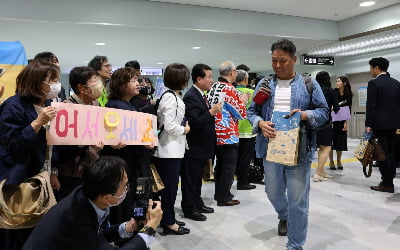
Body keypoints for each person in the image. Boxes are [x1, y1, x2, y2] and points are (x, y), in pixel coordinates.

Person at [247, 39, 328, 250]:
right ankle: (284, 215)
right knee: (272, 192)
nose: (278, 66)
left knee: (298, 201)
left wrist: (304, 114)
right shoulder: (264, 84)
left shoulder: (309, 83)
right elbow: (251, 111)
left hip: (299, 152)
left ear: (294, 60)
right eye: (274, 61)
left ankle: (295, 245)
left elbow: (323, 112)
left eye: (283, 61)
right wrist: (260, 123)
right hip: (269, 148)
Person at [23, 156, 163, 250]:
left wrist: (127, 227)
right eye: (124, 186)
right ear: (106, 197)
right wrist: (149, 228)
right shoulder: (75, 219)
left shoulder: (86, 193)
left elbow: (96, 236)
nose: (128, 189)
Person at [0, 60, 60, 250]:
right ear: (36, 82)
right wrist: (37, 123)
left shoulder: (50, 104)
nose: (56, 85)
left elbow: (53, 142)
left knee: (40, 232)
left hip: (44, 178)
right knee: (18, 231)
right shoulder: (13, 105)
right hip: (19, 180)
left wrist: (54, 171)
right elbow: (14, 145)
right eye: (52, 80)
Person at [102, 67, 153, 229]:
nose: (138, 84)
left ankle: (130, 230)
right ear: (122, 85)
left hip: (131, 164)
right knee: (128, 201)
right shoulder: (118, 107)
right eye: (134, 81)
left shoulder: (124, 104)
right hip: (127, 165)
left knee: (132, 200)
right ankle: (127, 233)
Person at [52, 66, 104, 200]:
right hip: (71, 173)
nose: (99, 84)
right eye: (95, 81)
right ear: (82, 88)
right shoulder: (65, 109)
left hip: (92, 169)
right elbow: (60, 146)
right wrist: (85, 144)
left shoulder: (96, 104)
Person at [181, 63, 222, 221]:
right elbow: (194, 122)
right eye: (209, 77)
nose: (212, 80)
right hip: (194, 146)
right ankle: (189, 208)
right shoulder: (191, 96)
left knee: (197, 178)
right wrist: (211, 112)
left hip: (202, 147)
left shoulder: (200, 94)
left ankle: (197, 202)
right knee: (191, 179)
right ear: (199, 79)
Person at [153, 63, 191, 235]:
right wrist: (184, 130)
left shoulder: (171, 96)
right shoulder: (170, 97)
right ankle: (168, 222)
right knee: (169, 189)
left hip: (171, 149)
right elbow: (169, 126)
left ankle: (168, 217)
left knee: (170, 188)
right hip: (168, 150)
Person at [206, 61, 247, 206]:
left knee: (220, 166)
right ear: (232, 72)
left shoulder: (213, 87)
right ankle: (224, 197)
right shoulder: (230, 89)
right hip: (228, 134)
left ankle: (220, 194)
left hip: (214, 132)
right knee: (228, 167)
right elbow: (241, 114)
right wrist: (242, 101)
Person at [366, 57, 400, 193]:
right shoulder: (396, 83)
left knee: (382, 154)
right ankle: (388, 180)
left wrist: (368, 124)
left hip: (379, 125)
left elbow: (371, 106)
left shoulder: (374, 84)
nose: (370, 71)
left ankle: (387, 183)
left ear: (376, 68)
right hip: (393, 124)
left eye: (371, 68)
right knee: (390, 152)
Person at [313, 71, 339, 182]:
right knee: (327, 147)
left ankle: (322, 171)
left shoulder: (313, 91)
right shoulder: (331, 92)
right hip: (326, 123)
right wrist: (332, 108)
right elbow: (337, 108)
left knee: (321, 148)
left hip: (314, 123)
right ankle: (318, 173)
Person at [235, 69, 257, 190]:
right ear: (245, 79)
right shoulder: (251, 92)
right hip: (247, 131)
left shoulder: (231, 91)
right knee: (245, 158)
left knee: (235, 158)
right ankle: (243, 181)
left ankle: (234, 178)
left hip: (233, 130)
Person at [328, 76, 353, 170]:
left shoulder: (348, 94)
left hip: (341, 121)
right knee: (330, 143)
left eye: (338, 81)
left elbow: (348, 109)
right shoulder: (333, 92)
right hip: (331, 120)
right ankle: (331, 161)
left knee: (340, 143)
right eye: (336, 81)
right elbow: (329, 105)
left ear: (344, 83)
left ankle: (339, 161)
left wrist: (346, 122)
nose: (336, 83)